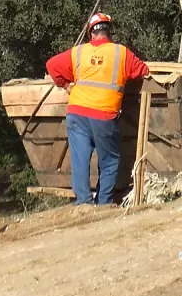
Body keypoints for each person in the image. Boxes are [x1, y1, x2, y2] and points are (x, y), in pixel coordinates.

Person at [46, 13, 150, 206]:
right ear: (109, 32)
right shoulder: (121, 53)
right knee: (109, 161)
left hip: (76, 113)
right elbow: (143, 71)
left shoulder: (78, 52)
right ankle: (103, 203)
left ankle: (84, 202)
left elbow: (52, 65)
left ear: (91, 34)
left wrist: (65, 85)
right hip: (104, 114)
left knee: (80, 159)